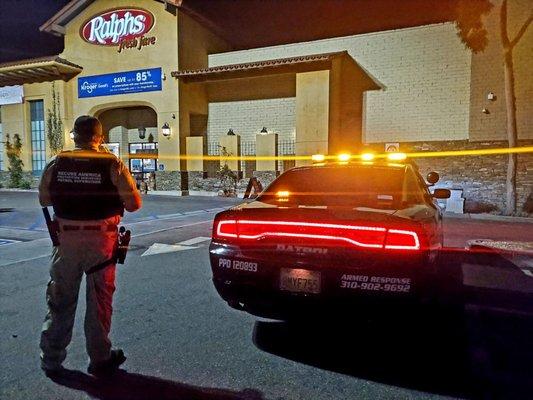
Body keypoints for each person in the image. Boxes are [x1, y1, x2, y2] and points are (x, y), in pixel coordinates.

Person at [38, 115, 142, 377]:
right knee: (99, 303)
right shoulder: (112, 165)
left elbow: (44, 198)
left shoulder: (57, 162)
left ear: (74, 136)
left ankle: (51, 358)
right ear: (100, 138)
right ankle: (99, 358)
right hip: (100, 241)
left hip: (66, 240)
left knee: (60, 300)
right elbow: (133, 204)